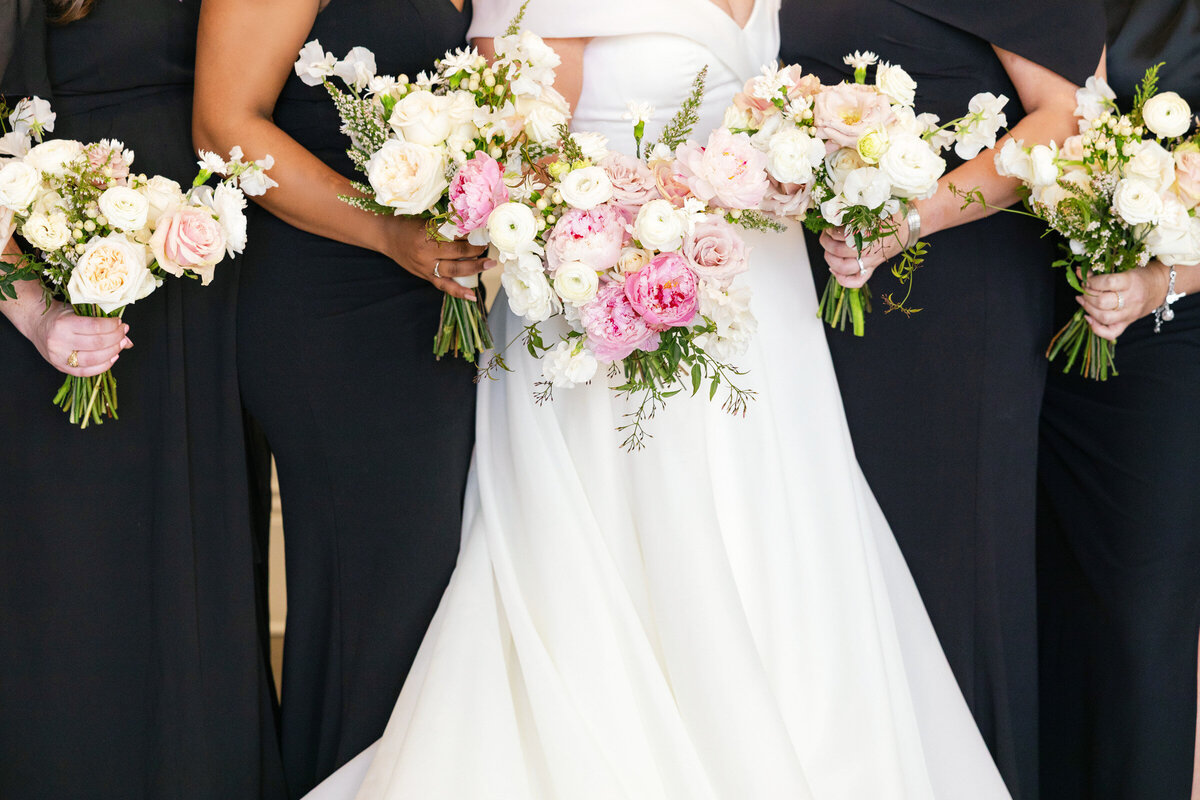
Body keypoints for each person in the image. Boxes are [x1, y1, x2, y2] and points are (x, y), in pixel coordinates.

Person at [302, 1, 1015, 797]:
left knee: (774, 537)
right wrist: (632, 237)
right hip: (609, 300)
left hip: (766, 303)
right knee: (644, 543)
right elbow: (516, 157)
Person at [779, 1, 1105, 796]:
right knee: (832, 570)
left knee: (951, 575)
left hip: (954, 295)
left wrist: (909, 219)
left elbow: (1064, 118)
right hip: (812, 284)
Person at [192, 0, 487, 795]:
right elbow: (223, 123)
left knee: (430, 598)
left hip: (433, 298)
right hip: (329, 304)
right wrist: (385, 229)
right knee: (376, 611)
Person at [0, 0, 285, 797]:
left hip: (208, 293)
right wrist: (38, 314)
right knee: (81, 599)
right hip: (62, 292)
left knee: (201, 591)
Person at [1037, 1, 1200, 796]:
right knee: (1036, 611)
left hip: (1160, 339)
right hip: (1017, 330)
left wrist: (1157, 281)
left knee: (1139, 620)